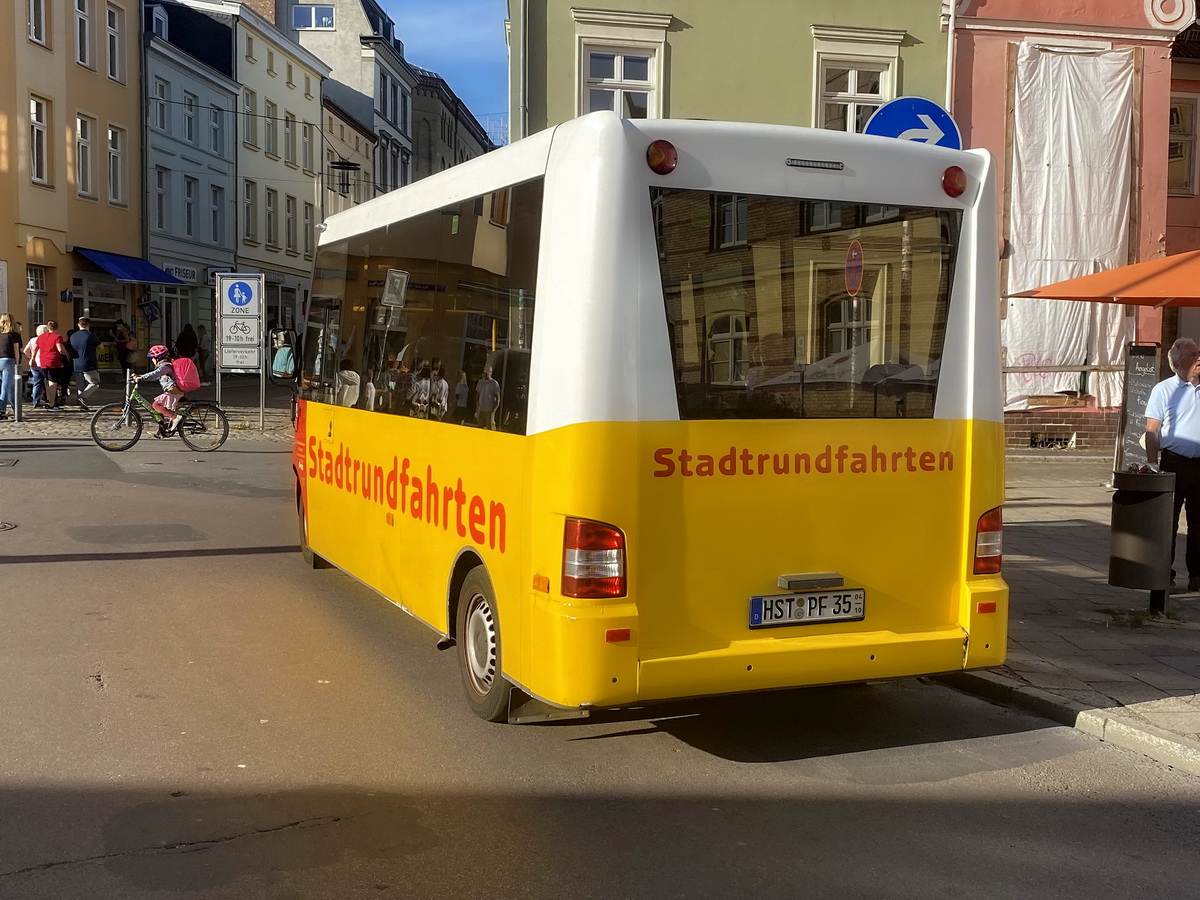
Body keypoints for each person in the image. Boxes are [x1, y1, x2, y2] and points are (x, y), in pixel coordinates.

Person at [1145, 337, 1200, 591]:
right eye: (1192, 355)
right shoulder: (1164, 390)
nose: (1199, 358)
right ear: (1178, 363)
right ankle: (1163, 572)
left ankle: (1197, 575)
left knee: (1199, 522)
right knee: (1168, 521)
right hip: (1174, 462)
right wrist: (1152, 463)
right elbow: (1152, 430)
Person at [132, 344, 186, 433]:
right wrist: (140, 376)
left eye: (152, 358)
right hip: (172, 391)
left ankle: (175, 418)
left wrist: (142, 377)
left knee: (156, 405)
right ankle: (161, 430)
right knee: (160, 409)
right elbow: (154, 375)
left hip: (173, 391)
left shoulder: (166, 366)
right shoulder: (164, 366)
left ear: (157, 358)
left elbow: (156, 373)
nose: (152, 360)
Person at [34, 321, 72, 410]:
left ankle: (48, 401)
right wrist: (67, 354)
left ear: (48, 327)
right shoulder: (57, 337)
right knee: (53, 382)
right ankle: (51, 403)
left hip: (43, 361)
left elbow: (35, 348)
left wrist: (32, 358)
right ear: (57, 328)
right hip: (53, 361)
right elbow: (60, 349)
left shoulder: (41, 337)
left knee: (47, 382)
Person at [69, 317, 102, 411]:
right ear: (88, 325)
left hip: (76, 363)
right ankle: (82, 398)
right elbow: (101, 347)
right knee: (94, 383)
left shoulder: (73, 336)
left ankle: (82, 405)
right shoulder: (91, 335)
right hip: (89, 363)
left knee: (81, 386)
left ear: (78, 324)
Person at [0, 314, 21, 420]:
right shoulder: (13, 335)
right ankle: (1, 410)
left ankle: (16, 408)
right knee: (6, 387)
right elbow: (16, 351)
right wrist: (17, 364)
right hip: (8, 360)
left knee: (11, 387)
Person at [24, 325, 47, 409]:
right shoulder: (45, 339)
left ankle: (35, 401)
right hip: (43, 363)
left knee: (37, 383)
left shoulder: (32, 340)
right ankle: (48, 399)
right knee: (48, 382)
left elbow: (25, 350)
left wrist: (30, 358)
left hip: (34, 364)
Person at [475, 365, 500, 430]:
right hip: (481, 409)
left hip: (489, 410)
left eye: (488, 373)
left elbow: (497, 398)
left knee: (490, 428)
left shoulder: (494, 383)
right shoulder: (481, 382)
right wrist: (477, 407)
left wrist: (494, 410)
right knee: (479, 427)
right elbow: (478, 395)